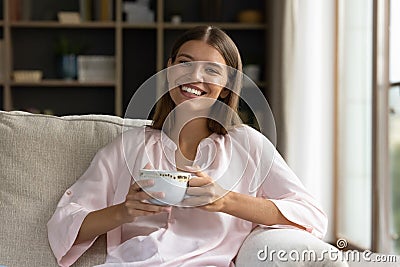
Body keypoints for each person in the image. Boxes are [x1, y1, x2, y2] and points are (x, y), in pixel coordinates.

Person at [47, 26, 328, 267]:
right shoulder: (129, 146)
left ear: (227, 84)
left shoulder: (247, 145)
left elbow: (310, 215)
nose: (195, 76)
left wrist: (225, 201)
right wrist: (124, 210)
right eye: (185, 63)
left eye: (211, 70)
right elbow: (65, 222)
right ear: (170, 69)